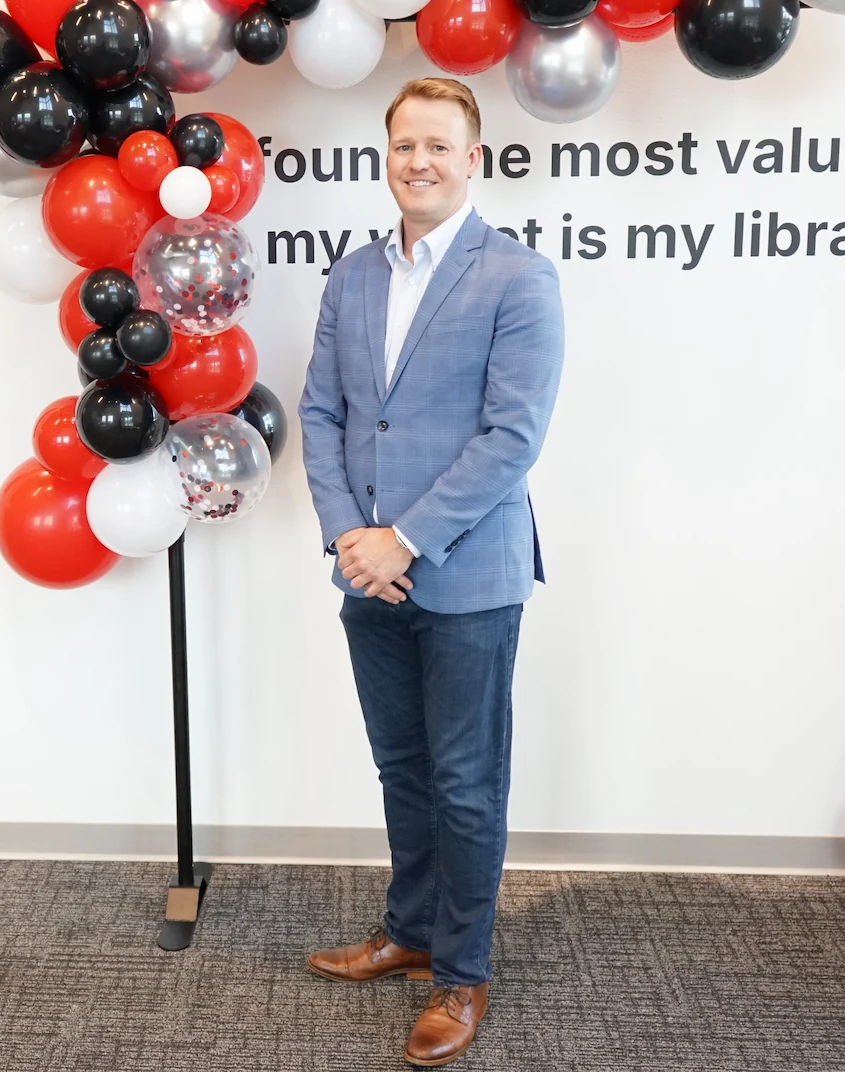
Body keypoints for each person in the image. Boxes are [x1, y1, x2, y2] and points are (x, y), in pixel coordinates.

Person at [297, 78, 565, 1067]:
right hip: (365, 574)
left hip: (465, 577)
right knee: (402, 770)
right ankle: (409, 931)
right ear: (387, 156)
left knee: (464, 784)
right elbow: (322, 412)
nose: (419, 161)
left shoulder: (519, 277)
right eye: (404, 144)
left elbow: (511, 439)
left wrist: (401, 538)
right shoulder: (354, 275)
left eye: (439, 146)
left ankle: (461, 972)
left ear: (474, 159)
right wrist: (344, 537)